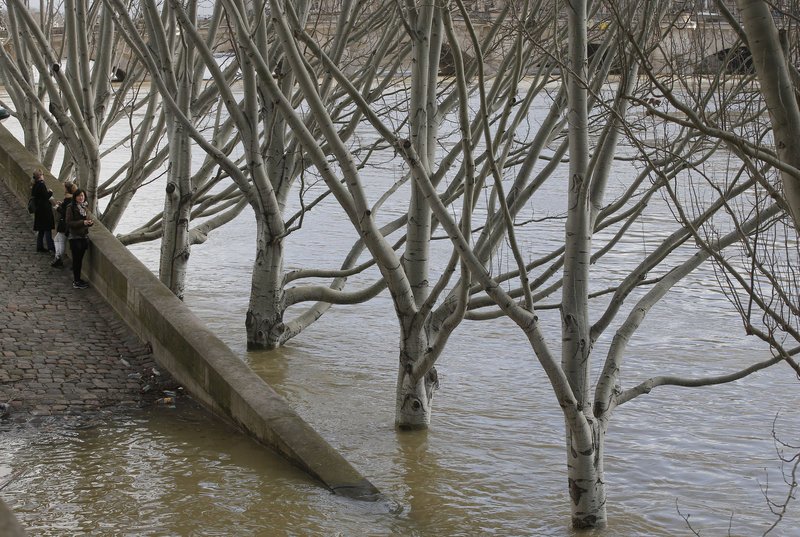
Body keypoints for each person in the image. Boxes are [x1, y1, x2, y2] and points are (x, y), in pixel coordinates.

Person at [66, 188, 93, 289]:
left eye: (82, 196)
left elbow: (87, 220)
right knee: (76, 260)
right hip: (74, 237)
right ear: (75, 197)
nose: (81, 198)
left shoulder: (84, 207)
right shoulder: (71, 207)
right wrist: (83, 223)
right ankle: (76, 281)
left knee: (80, 259)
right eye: (79, 196)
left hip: (83, 236)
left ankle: (78, 279)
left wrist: (89, 223)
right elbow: (69, 223)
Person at [52, 181, 76, 268]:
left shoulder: (68, 199)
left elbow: (66, 212)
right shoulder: (71, 199)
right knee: (57, 239)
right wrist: (61, 204)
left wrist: (58, 208)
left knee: (61, 240)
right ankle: (57, 257)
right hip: (65, 223)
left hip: (64, 224)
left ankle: (59, 258)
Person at [30, 169, 55, 253]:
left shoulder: (35, 185)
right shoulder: (41, 185)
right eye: (43, 174)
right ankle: (51, 247)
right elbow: (45, 196)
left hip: (39, 210)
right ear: (40, 176)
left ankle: (39, 246)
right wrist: (50, 192)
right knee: (47, 229)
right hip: (44, 211)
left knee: (41, 229)